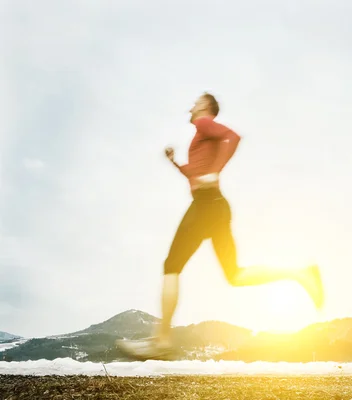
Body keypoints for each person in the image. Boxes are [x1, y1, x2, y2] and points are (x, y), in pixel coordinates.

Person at [116, 93, 324, 360]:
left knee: (171, 266)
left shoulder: (204, 123)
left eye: (195, 102)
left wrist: (216, 170)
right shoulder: (200, 135)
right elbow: (195, 174)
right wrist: (175, 162)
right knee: (234, 275)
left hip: (206, 205)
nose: (190, 106)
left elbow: (233, 137)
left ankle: (162, 342)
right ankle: (300, 273)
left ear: (204, 106)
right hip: (214, 206)